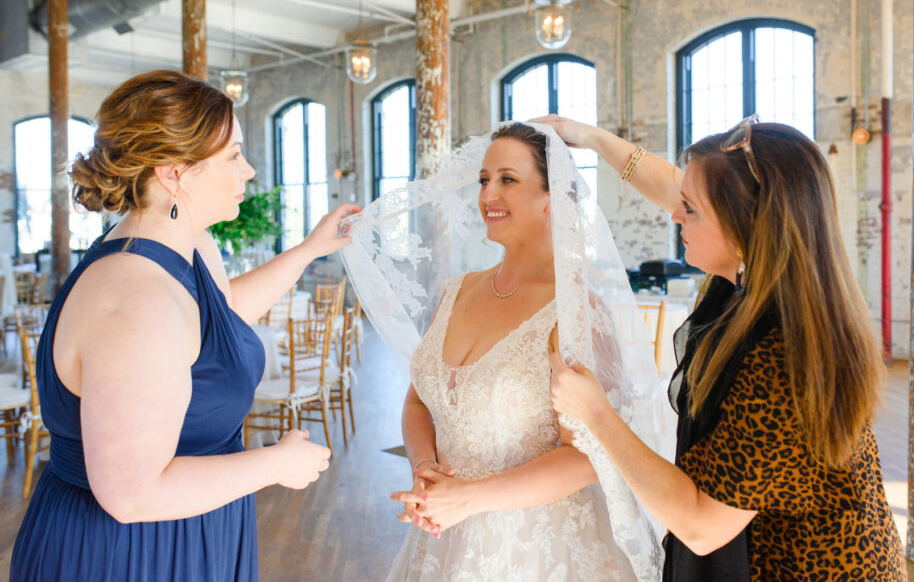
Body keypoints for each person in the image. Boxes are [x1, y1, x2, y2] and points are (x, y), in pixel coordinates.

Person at [11, 70, 359, 581]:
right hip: (128, 552)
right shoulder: (136, 300)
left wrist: (309, 250)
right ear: (174, 172)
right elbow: (132, 495)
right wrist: (275, 465)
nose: (249, 170)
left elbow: (221, 316)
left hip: (191, 529)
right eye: (233, 156)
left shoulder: (189, 243)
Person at [538, 113, 907, 581]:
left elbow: (701, 524)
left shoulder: (782, 357)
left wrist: (596, 414)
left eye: (690, 209)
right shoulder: (755, 275)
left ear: (741, 226)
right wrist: (592, 138)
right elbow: (674, 189)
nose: (675, 214)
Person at [345, 122, 664, 581]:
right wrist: (425, 469)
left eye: (507, 180)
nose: (487, 194)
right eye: (483, 180)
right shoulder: (454, 292)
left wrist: (469, 497)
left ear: (552, 197)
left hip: (540, 548)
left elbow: (594, 455)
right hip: (442, 539)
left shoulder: (574, 310)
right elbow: (419, 401)